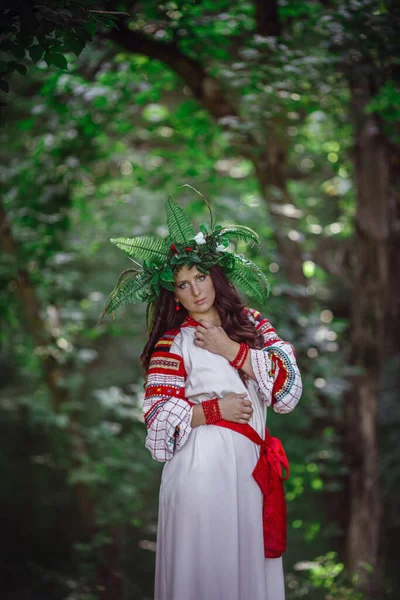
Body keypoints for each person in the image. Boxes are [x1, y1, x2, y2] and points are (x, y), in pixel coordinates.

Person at [98, 189, 303, 600]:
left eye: (200, 277)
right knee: (207, 574)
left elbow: (287, 389)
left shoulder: (255, 326)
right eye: (183, 285)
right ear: (174, 295)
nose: (195, 290)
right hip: (200, 473)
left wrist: (232, 350)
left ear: (215, 275)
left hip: (250, 473)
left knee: (245, 578)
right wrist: (212, 410)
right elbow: (157, 421)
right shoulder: (171, 344)